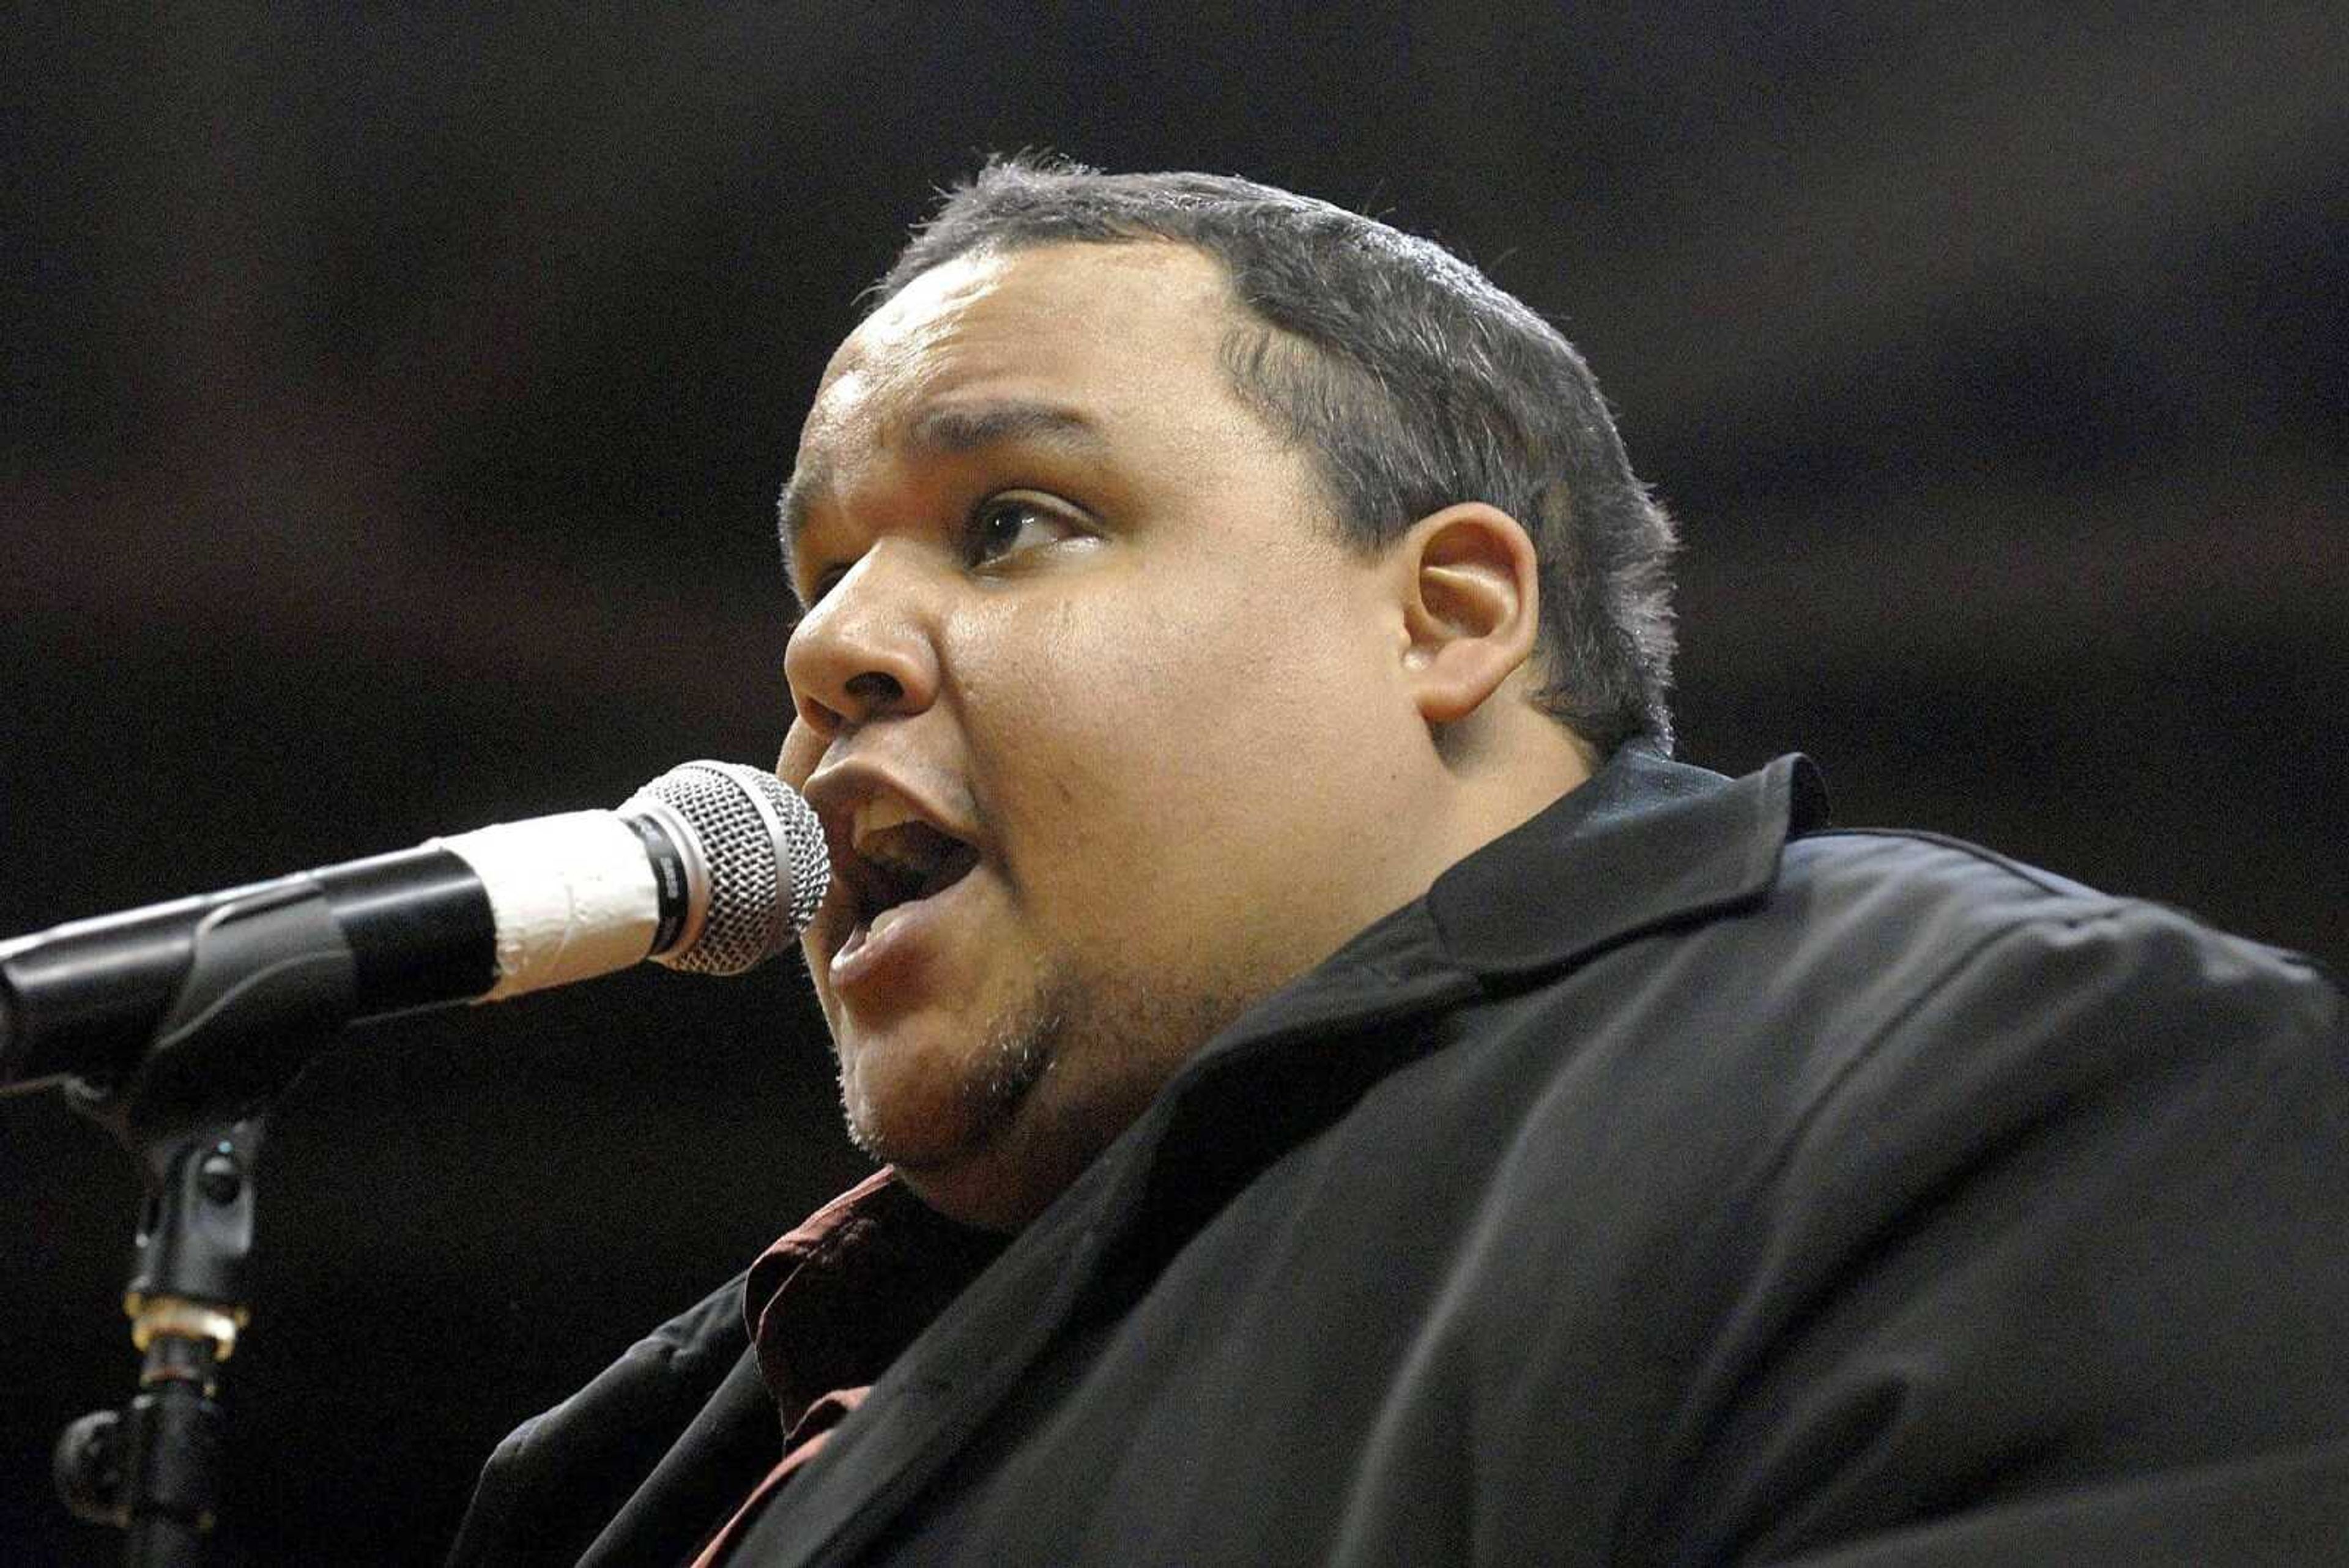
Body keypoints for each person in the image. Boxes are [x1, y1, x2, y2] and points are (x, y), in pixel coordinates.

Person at [449, 159, 2349, 1567]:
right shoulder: (624, 1479)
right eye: (822, 575)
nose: (826, 652)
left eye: (1013, 520)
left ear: (1446, 614)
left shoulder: (1985, 1071)